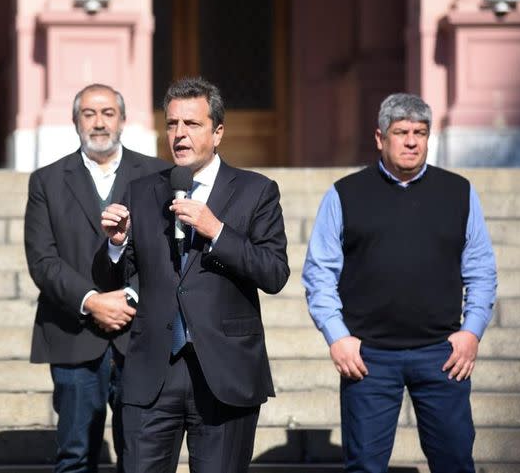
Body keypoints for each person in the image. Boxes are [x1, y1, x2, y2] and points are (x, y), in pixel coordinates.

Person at [97, 77, 290, 473]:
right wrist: (115, 245)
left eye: (192, 124)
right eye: (172, 124)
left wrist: (218, 231)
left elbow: (274, 273)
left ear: (217, 132)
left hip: (224, 373)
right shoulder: (142, 190)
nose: (179, 134)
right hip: (153, 372)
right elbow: (111, 277)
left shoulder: (256, 191)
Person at [302, 93, 497, 473]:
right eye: (401, 132)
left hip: (443, 356)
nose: (411, 141)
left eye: (420, 133)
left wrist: (471, 332)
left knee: (455, 463)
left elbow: (481, 270)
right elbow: (319, 272)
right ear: (380, 138)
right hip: (368, 359)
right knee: (365, 467)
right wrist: (337, 336)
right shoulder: (344, 194)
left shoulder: (459, 192)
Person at [24, 83, 169, 473]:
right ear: (75, 121)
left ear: (122, 120)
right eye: (89, 114)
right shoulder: (46, 181)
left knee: (141, 456)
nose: (99, 122)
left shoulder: (157, 175)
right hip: (73, 333)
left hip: (139, 335)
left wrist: (130, 299)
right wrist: (92, 300)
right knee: (74, 455)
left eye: (108, 113)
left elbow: (168, 254)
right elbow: (42, 261)